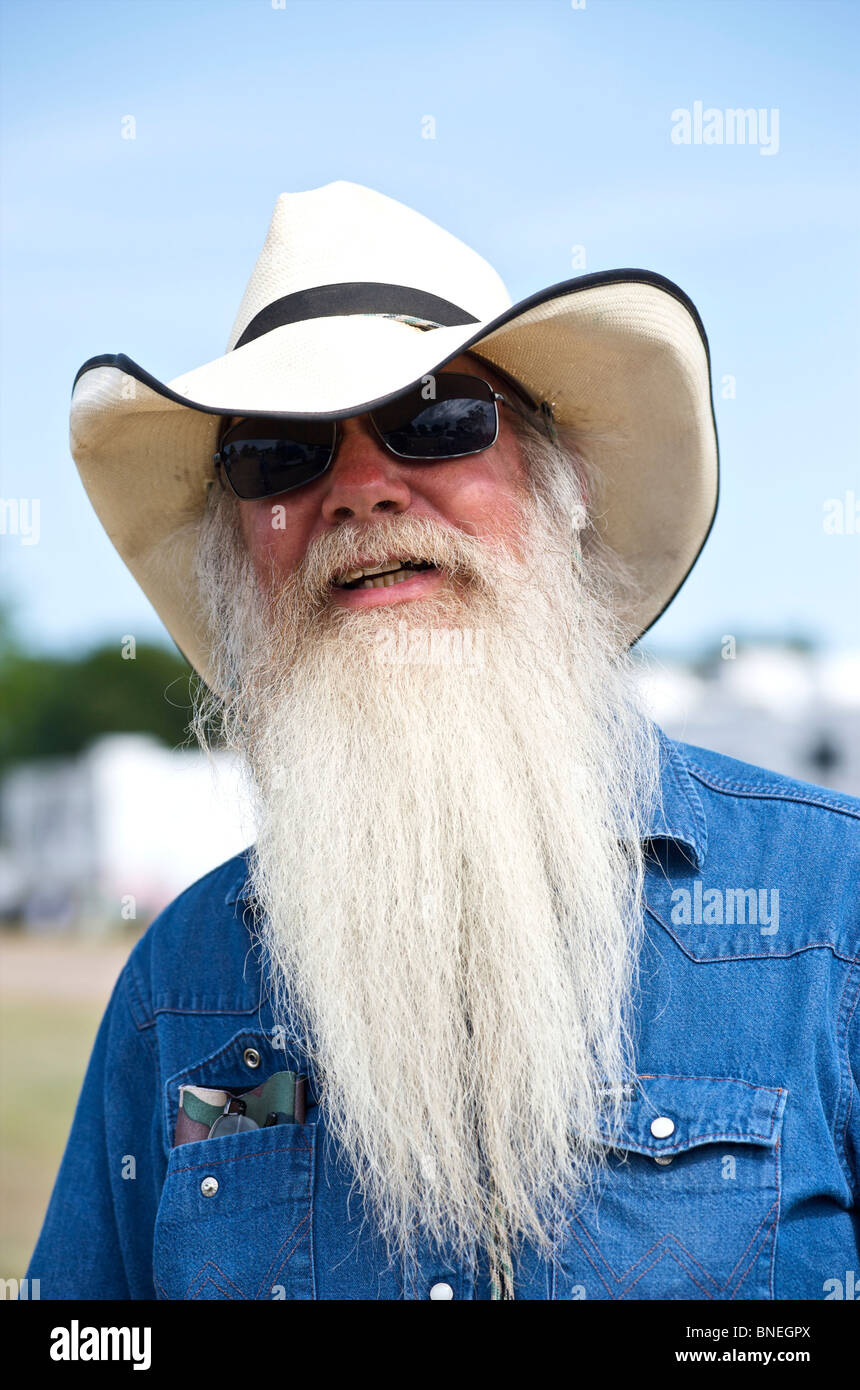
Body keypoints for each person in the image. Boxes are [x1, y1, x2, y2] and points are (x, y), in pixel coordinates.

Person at [28, 182, 859, 1300]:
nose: (362, 490)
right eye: (279, 453)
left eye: (435, 418)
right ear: (236, 547)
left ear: (560, 491)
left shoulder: (828, 912)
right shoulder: (177, 992)